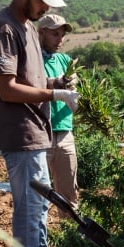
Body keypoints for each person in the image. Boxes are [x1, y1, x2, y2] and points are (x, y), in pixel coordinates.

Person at [0, 0, 79, 247]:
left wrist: (57, 82)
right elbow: (7, 88)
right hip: (21, 132)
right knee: (29, 207)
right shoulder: (4, 28)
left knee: (38, 205)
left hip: (37, 131)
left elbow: (30, 79)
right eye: (42, 1)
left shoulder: (25, 27)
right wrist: (55, 93)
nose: (45, 8)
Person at [37, 13, 78, 213]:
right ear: (41, 32)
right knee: (38, 193)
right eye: (55, 35)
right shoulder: (31, 59)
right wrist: (57, 84)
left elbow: (75, 83)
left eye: (62, 35)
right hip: (40, 134)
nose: (59, 40)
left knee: (69, 192)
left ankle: (69, 235)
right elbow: (33, 84)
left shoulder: (65, 60)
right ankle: (36, 239)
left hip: (64, 133)